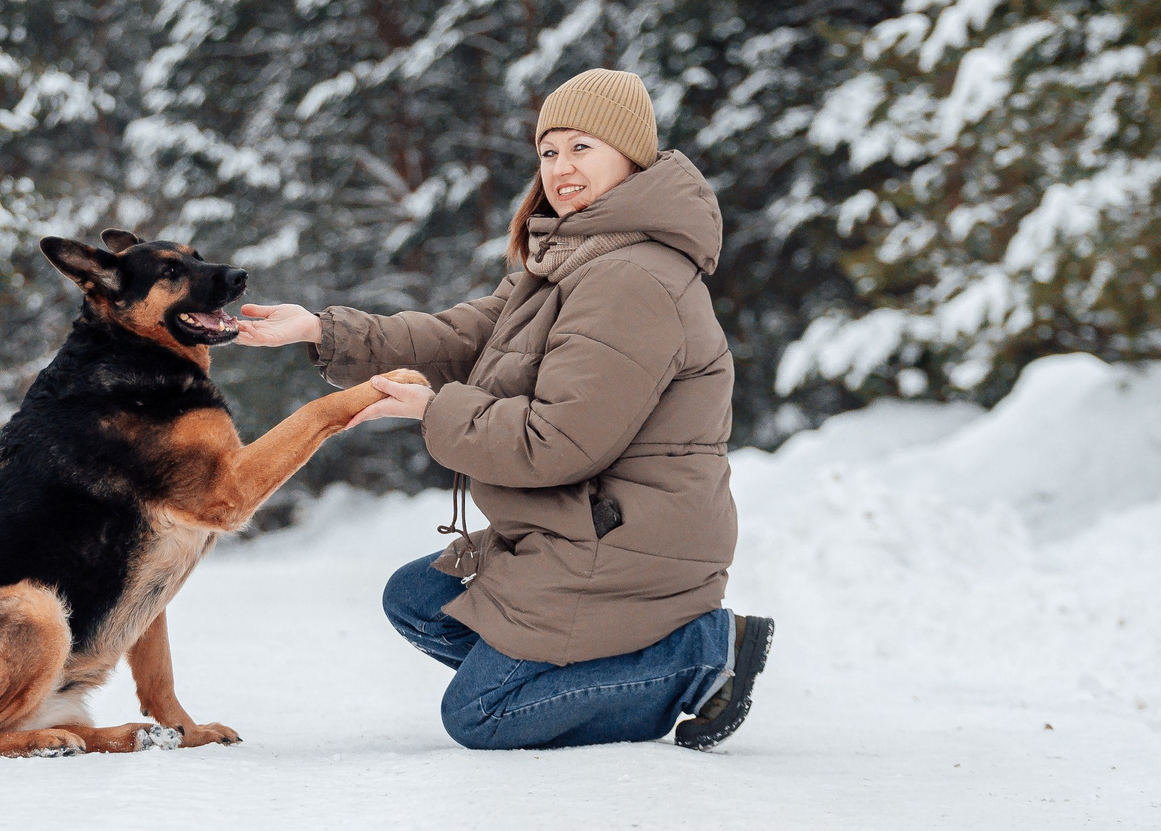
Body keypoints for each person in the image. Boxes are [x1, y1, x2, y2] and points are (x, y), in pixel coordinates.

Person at [235, 68, 773, 752]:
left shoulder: (633, 279)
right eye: (548, 152)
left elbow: (555, 442)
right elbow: (461, 335)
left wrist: (434, 410)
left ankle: (697, 651)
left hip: (627, 544)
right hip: (576, 523)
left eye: (583, 147)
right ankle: (576, 669)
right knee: (417, 598)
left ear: (631, 155)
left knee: (480, 714)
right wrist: (321, 330)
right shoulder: (571, 256)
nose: (561, 169)